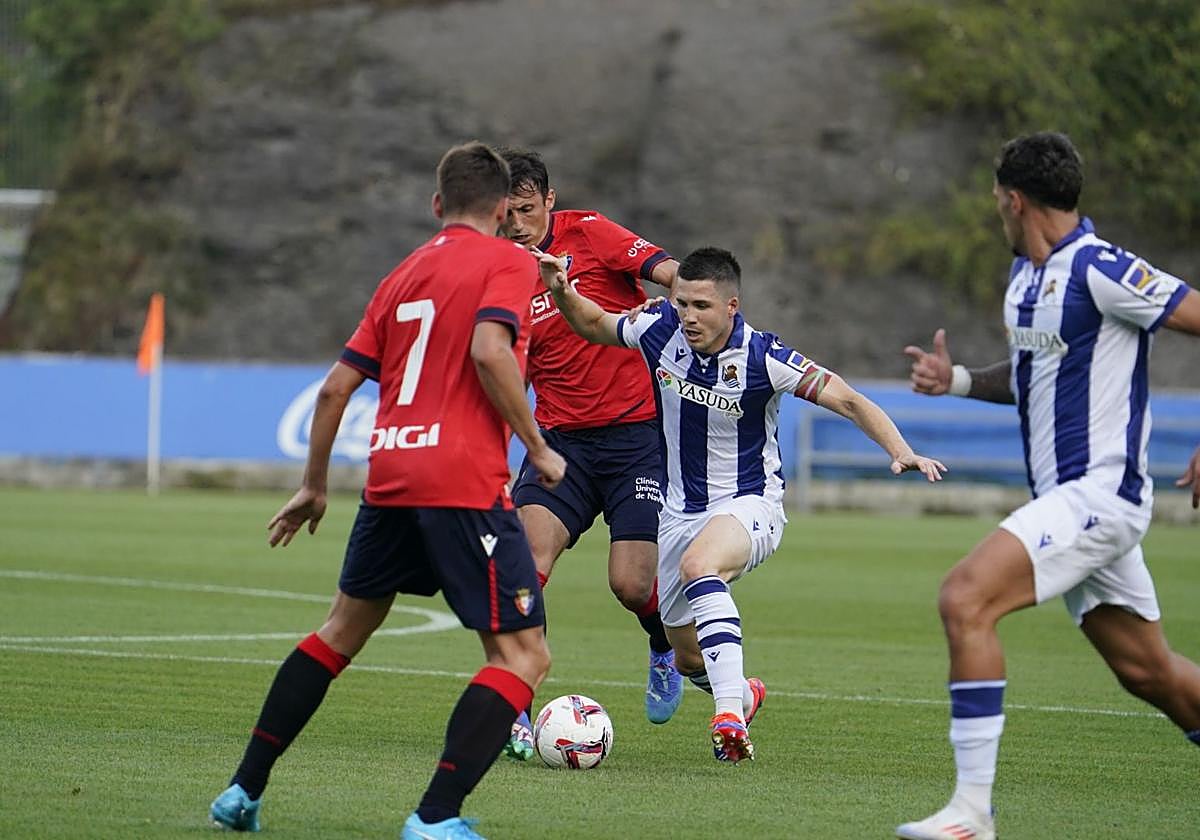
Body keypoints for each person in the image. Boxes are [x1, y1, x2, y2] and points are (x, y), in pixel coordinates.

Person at [207, 141, 565, 840]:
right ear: (501, 209)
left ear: (437, 206)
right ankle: (434, 818)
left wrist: (314, 485)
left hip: (391, 475)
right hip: (462, 481)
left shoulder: (403, 274)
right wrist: (539, 446)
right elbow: (491, 352)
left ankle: (241, 792)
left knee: (340, 631)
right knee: (524, 656)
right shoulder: (509, 260)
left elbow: (337, 388)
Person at [897, 131, 1200, 840]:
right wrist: (961, 381)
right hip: (1067, 503)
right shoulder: (1027, 279)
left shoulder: (1101, 269)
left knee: (964, 598)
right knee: (1148, 672)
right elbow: (1035, 377)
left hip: (1100, 496)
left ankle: (972, 814)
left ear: (1014, 199)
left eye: (997, 204)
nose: (997, 214)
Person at [537, 244, 945, 762]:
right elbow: (595, 324)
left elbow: (846, 397)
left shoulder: (766, 358)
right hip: (677, 511)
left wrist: (900, 449)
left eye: (701, 306)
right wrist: (562, 290)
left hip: (750, 503)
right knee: (686, 657)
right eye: (682, 302)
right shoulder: (658, 327)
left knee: (700, 566)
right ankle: (744, 692)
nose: (688, 316)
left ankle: (728, 715)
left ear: (732, 306)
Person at [496, 147, 684, 757]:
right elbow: (505, 370)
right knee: (523, 566)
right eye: (507, 212)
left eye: (527, 209)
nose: (517, 223)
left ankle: (662, 646)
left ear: (549, 200)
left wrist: (685, 307)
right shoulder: (497, 270)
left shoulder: (592, 234)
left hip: (637, 441)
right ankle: (517, 709)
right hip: (560, 447)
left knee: (631, 585)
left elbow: (672, 271)